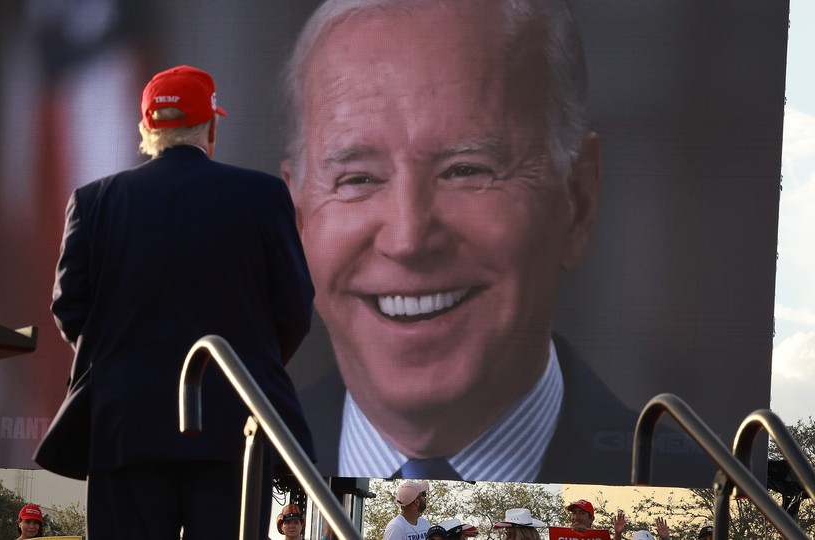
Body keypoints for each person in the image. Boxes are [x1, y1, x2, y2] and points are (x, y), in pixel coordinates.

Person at [280, 0, 642, 484]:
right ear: (298, 220)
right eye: (358, 179)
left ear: (577, 202)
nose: (408, 240)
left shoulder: (719, 510)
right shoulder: (209, 494)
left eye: (466, 170)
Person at [48, 64, 316, 539]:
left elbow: (70, 309)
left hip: (125, 427)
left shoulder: (94, 201)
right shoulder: (263, 196)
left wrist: (124, 363)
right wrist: (244, 368)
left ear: (146, 128)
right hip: (234, 425)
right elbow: (294, 309)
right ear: (211, 128)